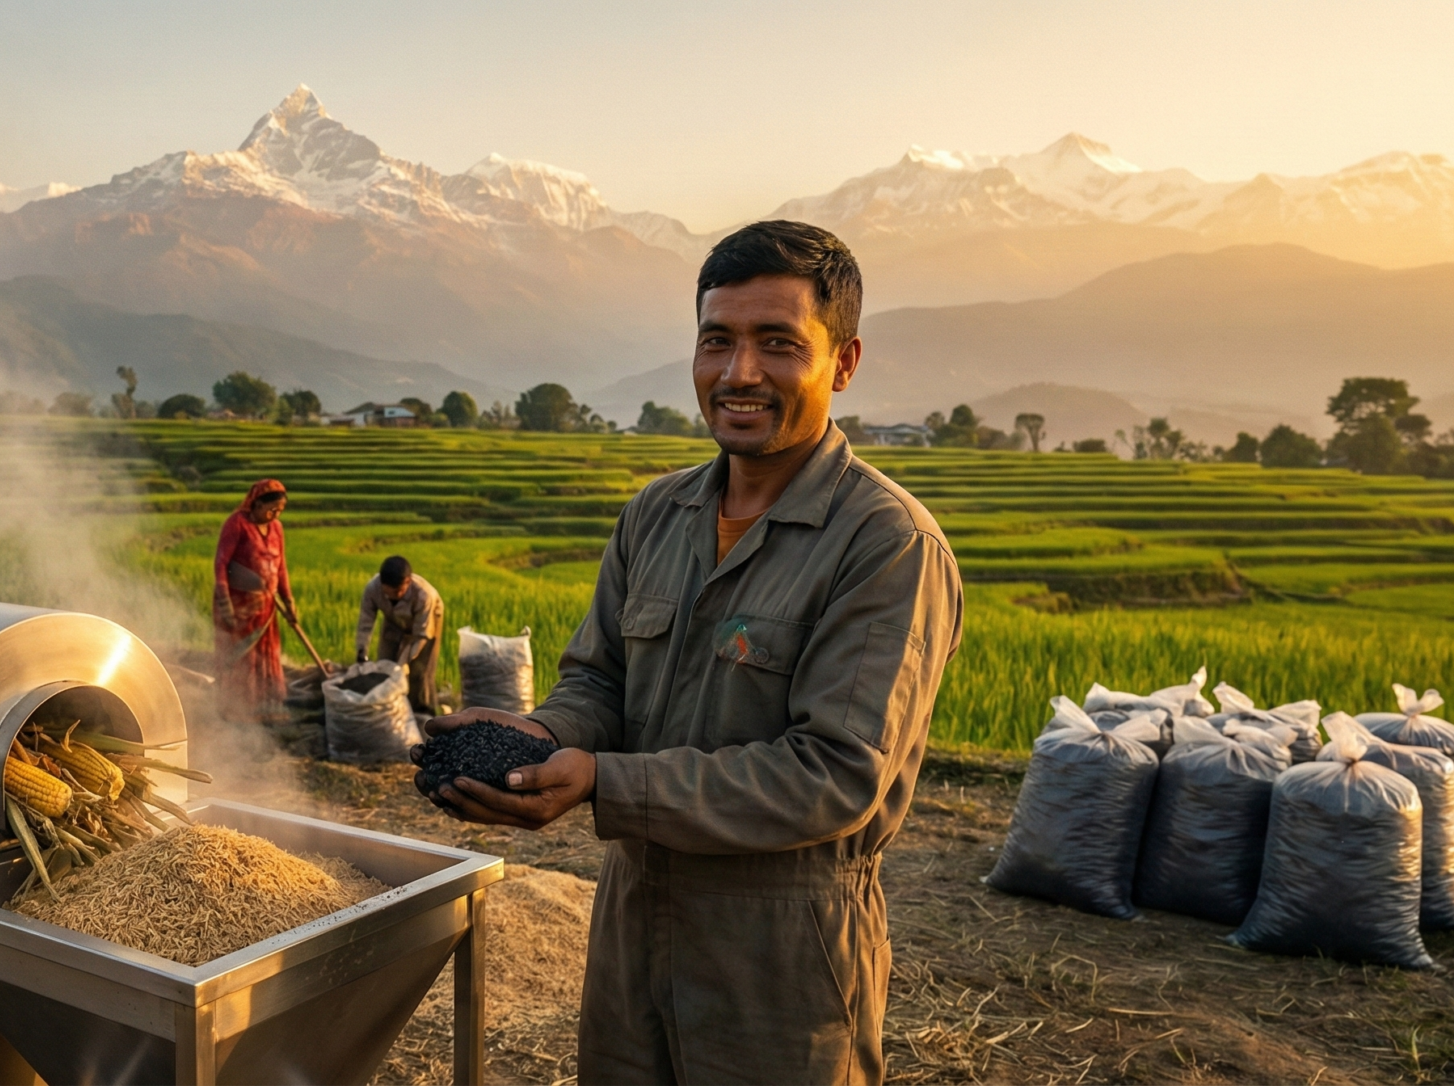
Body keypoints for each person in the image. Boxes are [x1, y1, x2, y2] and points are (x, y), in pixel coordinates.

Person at [422, 221, 963, 1085]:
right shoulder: (656, 515)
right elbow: (599, 682)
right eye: (718, 340)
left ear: (844, 362)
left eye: (778, 343)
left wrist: (603, 782)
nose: (739, 372)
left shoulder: (886, 544)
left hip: (780, 952)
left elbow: (833, 775)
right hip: (633, 923)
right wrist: (539, 738)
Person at [211, 479, 299, 721]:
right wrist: (225, 603)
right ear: (256, 504)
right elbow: (221, 563)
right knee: (242, 657)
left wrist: (288, 601)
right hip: (239, 607)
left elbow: (281, 567)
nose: (275, 515)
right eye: (271, 510)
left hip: (266, 608)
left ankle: (266, 708)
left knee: (266, 657)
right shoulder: (237, 524)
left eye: (280, 511)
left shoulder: (277, 529)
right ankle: (237, 709)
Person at [355, 554, 443, 716]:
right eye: (387, 593)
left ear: (408, 582)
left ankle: (423, 713)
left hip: (426, 624)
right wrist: (361, 652)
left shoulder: (424, 596)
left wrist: (404, 663)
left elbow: (421, 635)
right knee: (385, 663)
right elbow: (365, 622)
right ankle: (389, 709)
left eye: (397, 592)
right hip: (393, 618)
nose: (391, 596)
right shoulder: (372, 589)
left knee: (420, 671)